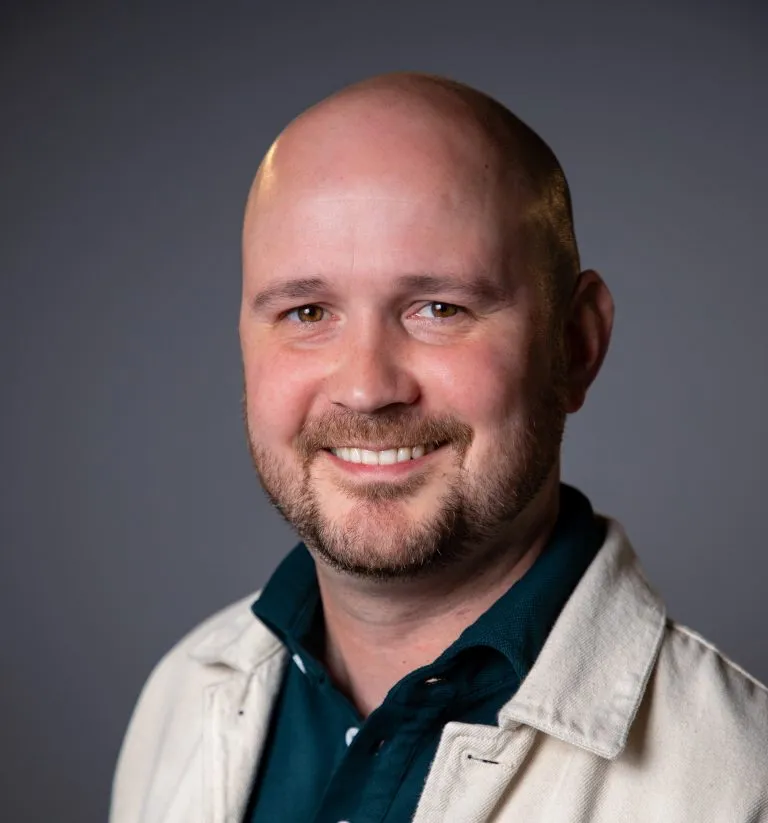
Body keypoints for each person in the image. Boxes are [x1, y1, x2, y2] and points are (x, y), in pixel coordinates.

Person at [109, 73, 768, 823]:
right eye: (308, 310)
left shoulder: (739, 783)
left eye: (438, 308)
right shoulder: (179, 700)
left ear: (576, 345)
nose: (365, 387)